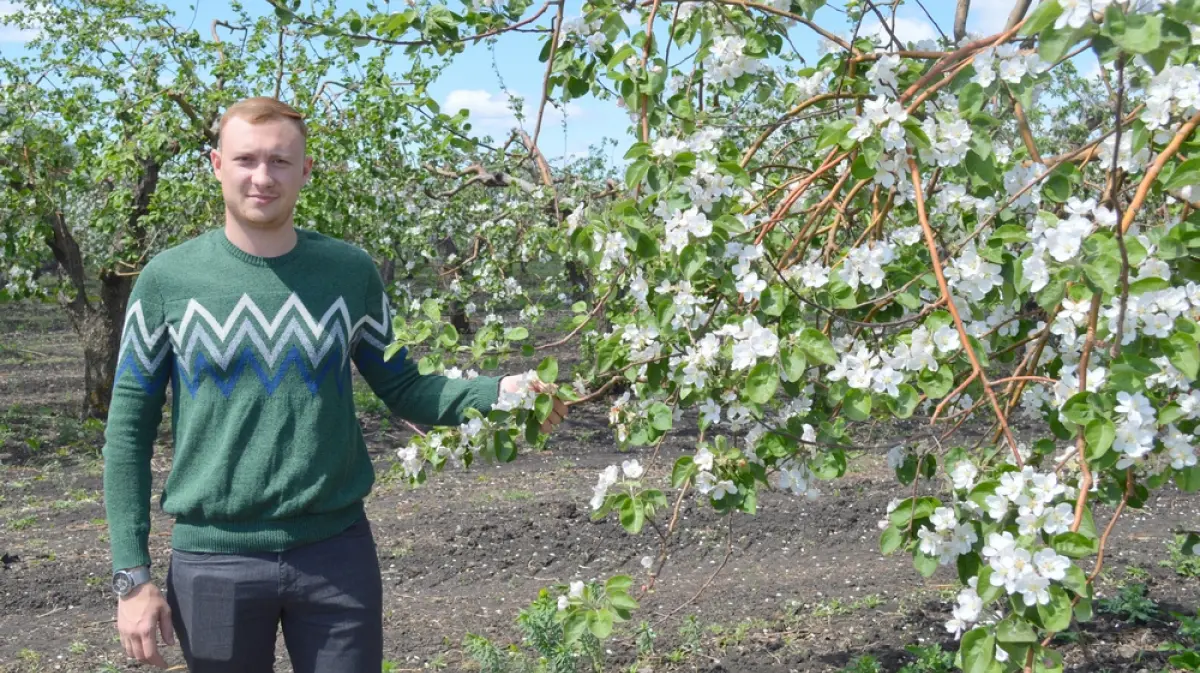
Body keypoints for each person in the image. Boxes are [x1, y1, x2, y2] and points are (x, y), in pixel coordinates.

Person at [102, 96, 569, 672]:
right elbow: (128, 431)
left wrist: (501, 394)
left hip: (335, 555)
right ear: (217, 165)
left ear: (306, 170)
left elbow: (405, 388)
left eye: (280, 161)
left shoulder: (349, 273)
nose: (262, 176)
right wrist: (132, 577)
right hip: (212, 561)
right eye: (246, 159)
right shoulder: (168, 280)